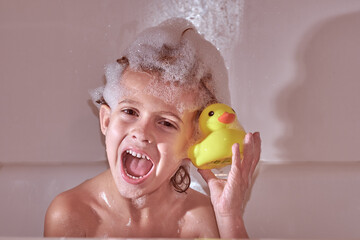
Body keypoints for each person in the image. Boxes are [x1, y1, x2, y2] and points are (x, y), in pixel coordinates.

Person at [44, 18, 261, 238]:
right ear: (106, 121)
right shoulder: (73, 214)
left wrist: (229, 217)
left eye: (166, 123)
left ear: (191, 143)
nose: (142, 132)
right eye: (130, 112)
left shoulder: (198, 219)